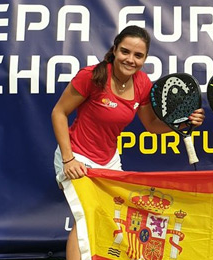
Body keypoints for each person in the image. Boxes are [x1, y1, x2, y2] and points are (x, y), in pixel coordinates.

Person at [51, 25, 204, 260]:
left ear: (145, 59)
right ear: (114, 50)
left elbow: (152, 126)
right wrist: (68, 158)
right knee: (85, 215)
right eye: (125, 52)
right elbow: (59, 113)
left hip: (109, 160)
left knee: (113, 218)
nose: (130, 59)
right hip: (77, 156)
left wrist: (183, 124)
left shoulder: (142, 83)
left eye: (138, 55)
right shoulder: (92, 76)